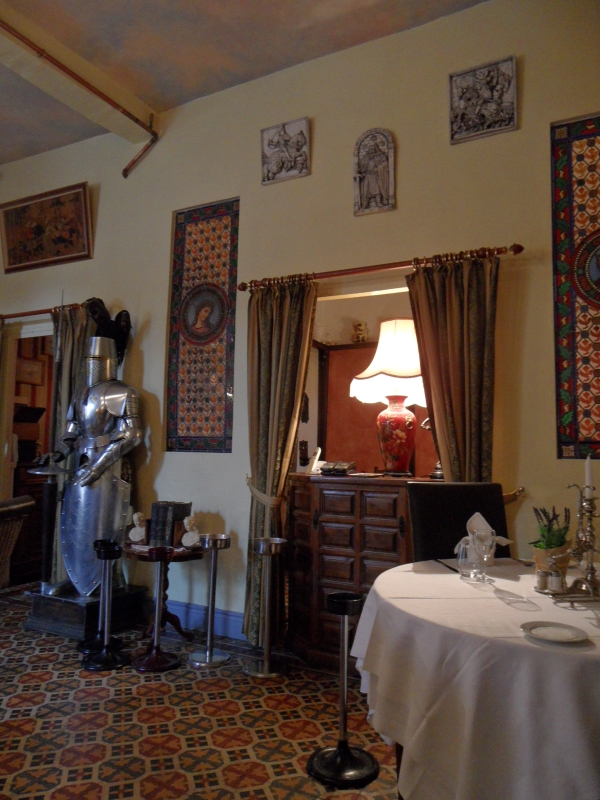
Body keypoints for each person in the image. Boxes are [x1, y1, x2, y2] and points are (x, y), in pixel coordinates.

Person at [47, 336, 143, 596]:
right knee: (78, 523)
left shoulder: (123, 392)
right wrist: (57, 454)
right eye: (90, 360)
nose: (93, 365)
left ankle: (108, 580)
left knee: (105, 524)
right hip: (79, 463)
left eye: (97, 360)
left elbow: (132, 434)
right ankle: (76, 578)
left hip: (109, 466)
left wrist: (97, 466)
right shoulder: (81, 394)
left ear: (109, 361)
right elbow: (72, 431)